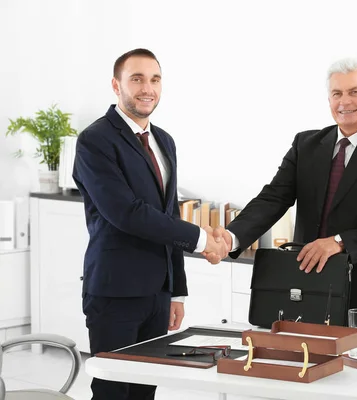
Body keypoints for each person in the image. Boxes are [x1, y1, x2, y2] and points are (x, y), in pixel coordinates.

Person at [209, 58, 357, 336]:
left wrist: (339, 242)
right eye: (337, 93)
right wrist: (232, 236)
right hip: (305, 295)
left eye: (354, 92)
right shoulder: (305, 144)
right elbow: (273, 198)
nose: (344, 101)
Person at [72, 48, 227, 399]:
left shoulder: (164, 141)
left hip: (157, 293)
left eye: (155, 79)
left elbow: (167, 214)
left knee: (145, 391)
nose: (147, 88)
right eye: (137, 79)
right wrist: (202, 239)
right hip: (115, 291)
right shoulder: (94, 140)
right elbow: (126, 212)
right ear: (116, 85)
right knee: (113, 390)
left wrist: (177, 290)